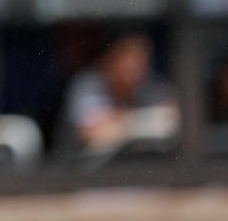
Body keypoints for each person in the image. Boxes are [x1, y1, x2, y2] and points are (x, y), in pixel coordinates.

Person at [56, 32, 179, 161]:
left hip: (136, 168)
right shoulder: (88, 84)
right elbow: (93, 134)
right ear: (111, 58)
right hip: (82, 172)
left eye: (141, 59)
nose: (136, 66)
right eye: (129, 57)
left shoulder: (147, 85)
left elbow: (175, 119)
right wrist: (141, 121)